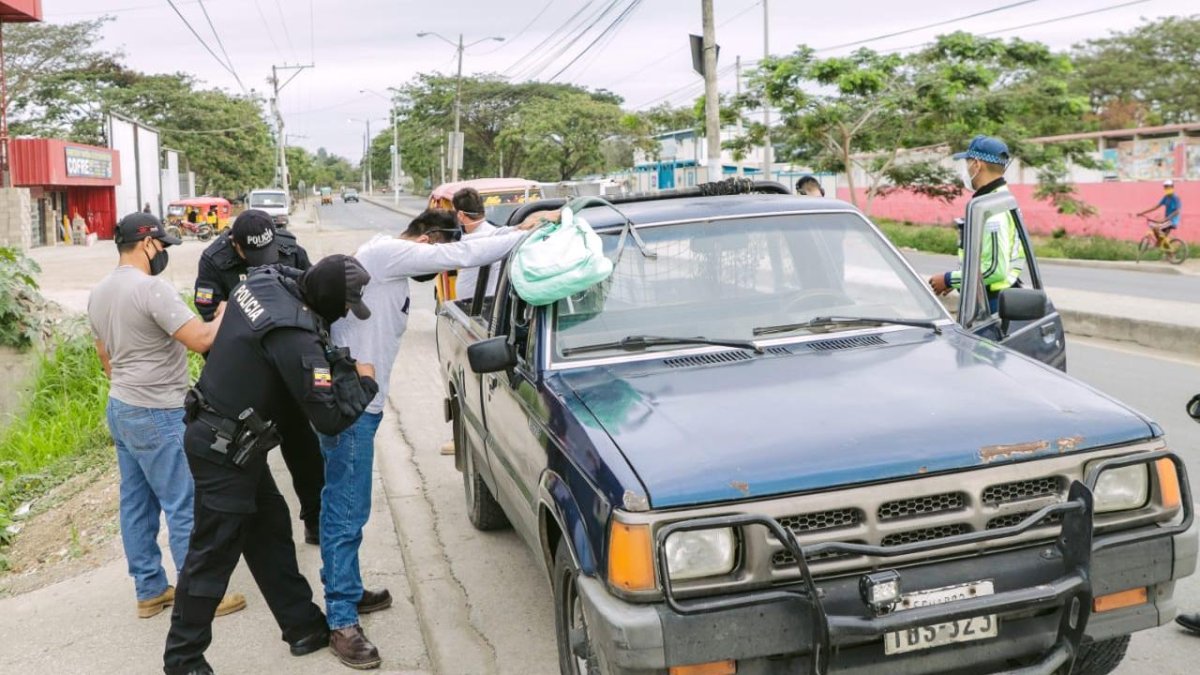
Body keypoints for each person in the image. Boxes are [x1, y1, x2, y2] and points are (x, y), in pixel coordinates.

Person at [317, 208, 544, 669]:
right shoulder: (384, 253)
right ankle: (341, 620)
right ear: (426, 239)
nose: (438, 268)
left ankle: (349, 590)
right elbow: (460, 252)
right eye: (435, 254)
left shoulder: (386, 269)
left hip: (363, 405)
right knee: (346, 508)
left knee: (343, 502)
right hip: (351, 408)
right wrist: (518, 234)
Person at [163, 255, 380, 675]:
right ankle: (183, 660)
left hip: (230, 436)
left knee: (269, 528)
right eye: (345, 307)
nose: (344, 315)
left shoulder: (267, 282)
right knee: (212, 556)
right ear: (330, 301)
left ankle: (302, 626)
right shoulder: (294, 337)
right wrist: (365, 382)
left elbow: (287, 277)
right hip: (222, 449)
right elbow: (329, 418)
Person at [87, 212, 246, 621]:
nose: (164, 254)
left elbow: (105, 356)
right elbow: (200, 339)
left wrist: (131, 383)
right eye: (162, 246)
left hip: (120, 405)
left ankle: (151, 591)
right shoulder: (151, 289)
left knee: (136, 502)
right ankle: (201, 595)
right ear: (146, 244)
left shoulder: (100, 292)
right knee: (182, 501)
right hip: (157, 410)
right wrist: (228, 310)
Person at [194, 210, 323, 545]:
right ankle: (245, 533)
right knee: (245, 457)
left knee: (305, 452)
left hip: (285, 370)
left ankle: (315, 519)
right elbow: (210, 314)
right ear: (235, 245)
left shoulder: (290, 248)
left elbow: (313, 296)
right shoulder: (213, 260)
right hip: (244, 376)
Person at [929, 135, 1018, 314]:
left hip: (991, 305)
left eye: (967, 163)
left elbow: (995, 270)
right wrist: (960, 281)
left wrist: (949, 279)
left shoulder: (993, 210)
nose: (966, 170)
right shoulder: (997, 199)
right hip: (986, 297)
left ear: (977, 165)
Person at [451, 187, 501, 301]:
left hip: (483, 307)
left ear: (460, 215)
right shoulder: (469, 236)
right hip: (468, 305)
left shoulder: (490, 236)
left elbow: (498, 274)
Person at [1138, 179, 1182, 243]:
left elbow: (1177, 211)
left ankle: (1159, 243)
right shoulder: (1166, 197)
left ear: (1172, 187)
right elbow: (1155, 207)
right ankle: (1162, 244)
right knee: (1158, 233)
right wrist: (1142, 212)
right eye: (1165, 187)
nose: (1166, 188)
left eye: (1168, 186)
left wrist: (1165, 219)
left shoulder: (1176, 198)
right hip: (1166, 221)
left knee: (1156, 228)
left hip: (1172, 221)